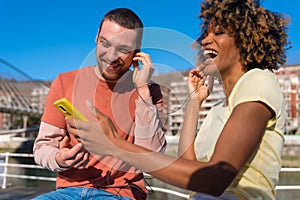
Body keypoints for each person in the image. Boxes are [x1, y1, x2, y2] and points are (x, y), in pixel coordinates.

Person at [66, 0, 290, 199]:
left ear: (245, 41)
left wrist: (114, 144)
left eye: (218, 33)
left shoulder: (258, 80)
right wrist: (194, 102)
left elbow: (214, 180)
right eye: (206, 34)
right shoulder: (221, 108)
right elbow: (189, 166)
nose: (205, 41)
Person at [33, 8, 166, 200]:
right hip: (67, 192)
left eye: (123, 49)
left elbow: (152, 159)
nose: (111, 57)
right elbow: (42, 148)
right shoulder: (64, 82)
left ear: (137, 52)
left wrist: (143, 91)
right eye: (105, 43)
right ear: (96, 38)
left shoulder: (149, 92)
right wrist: (60, 159)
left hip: (121, 193)